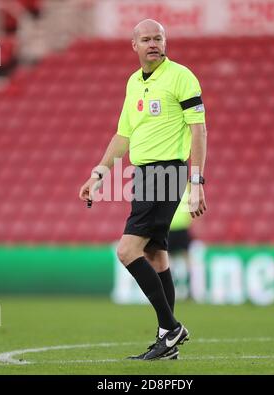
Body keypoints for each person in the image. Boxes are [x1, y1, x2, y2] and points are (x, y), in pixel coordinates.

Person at [79, 19, 207, 361]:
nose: (153, 44)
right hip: (144, 174)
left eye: (158, 38)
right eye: (146, 39)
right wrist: (98, 173)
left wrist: (196, 182)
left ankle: (171, 327)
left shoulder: (181, 76)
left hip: (167, 171)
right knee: (154, 255)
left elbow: (198, 130)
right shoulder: (134, 82)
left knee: (126, 251)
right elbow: (124, 135)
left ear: (165, 42)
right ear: (134, 46)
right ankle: (167, 338)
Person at [168, 186, 193, 300]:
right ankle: (171, 286)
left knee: (183, 258)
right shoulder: (167, 184)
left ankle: (189, 287)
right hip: (169, 227)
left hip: (181, 227)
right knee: (168, 258)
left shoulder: (188, 185)